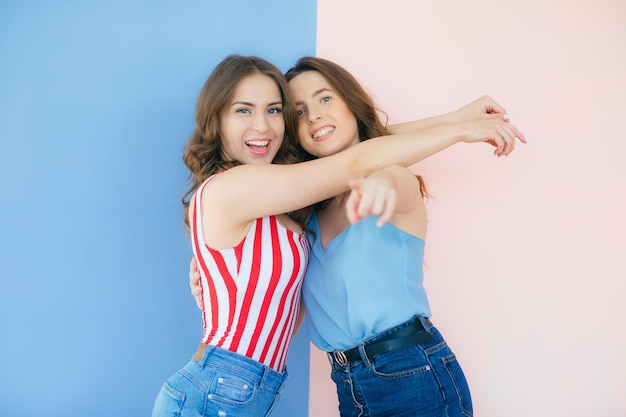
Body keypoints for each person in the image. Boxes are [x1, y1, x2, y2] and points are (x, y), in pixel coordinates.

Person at [168, 54, 523, 417]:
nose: (262, 125)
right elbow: (356, 158)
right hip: (244, 385)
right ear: (217, 119)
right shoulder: (266, 195)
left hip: (404, 369)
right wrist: (457, 128)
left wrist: (456, 122)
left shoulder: (305, 201)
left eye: (275, 110)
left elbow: (368, 153)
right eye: (243, 110)